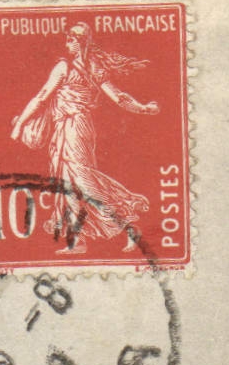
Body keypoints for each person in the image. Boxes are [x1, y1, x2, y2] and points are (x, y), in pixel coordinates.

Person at [10, 22, 160, 253]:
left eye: (70, 39)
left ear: (76, 42)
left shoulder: (65, 66)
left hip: (74, 128)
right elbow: (119, 97)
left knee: (83, 182)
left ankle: (129, 227)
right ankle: (76, 240)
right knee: (67, 183)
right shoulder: (92, 66)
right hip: (68, 128)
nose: (67, 43)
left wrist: (20, 123)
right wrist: (143, 108)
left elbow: (41, 97)